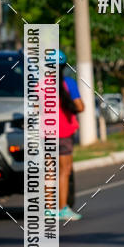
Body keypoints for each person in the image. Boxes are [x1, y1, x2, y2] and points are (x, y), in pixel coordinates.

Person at [55, 50, 83, 221]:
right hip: (64, 134)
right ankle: (62, 208)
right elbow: (80, 107)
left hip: (45, 134)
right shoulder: (69, 84)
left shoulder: (40, 85)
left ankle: (49, 209)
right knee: (64, 171)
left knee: (49, 172)